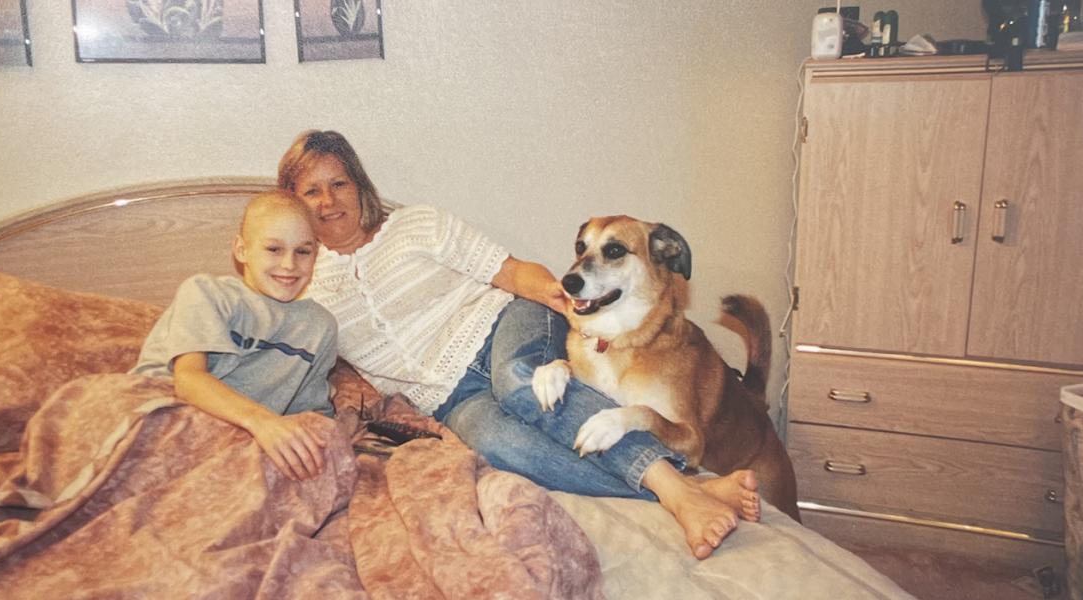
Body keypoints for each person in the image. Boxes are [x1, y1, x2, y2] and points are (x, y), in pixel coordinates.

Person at [278, 129, 760, 559]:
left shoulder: (416, 225)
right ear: (293, 202)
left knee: (517, 385)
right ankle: (693, 489)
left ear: (359, 185)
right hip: (449, 398)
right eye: (311, 190)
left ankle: (674, 489)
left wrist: (557, 294)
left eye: (338, 183)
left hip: (505, 325)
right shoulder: (301, 283)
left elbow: (509, 271)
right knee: (499, 445)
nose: (328, 200)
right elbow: (279, 352)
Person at [132, 190, 338, 482]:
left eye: (303, 251)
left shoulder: (320, 327)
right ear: (241, 250)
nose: (289, 265)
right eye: (274, 249)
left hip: (244, 439)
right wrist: (263, 422)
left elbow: (310, 414)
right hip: (168, 413)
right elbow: (189, 380)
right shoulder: (207, 293)